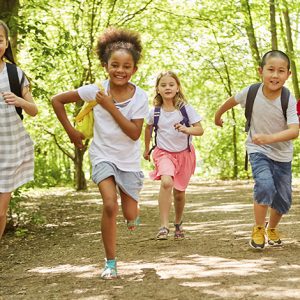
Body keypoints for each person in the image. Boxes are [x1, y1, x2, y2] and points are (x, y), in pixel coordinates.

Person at [52, 27, 148, 279]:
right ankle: (111, 263)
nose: (120, 71)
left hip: (128, 160)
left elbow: (134, 133)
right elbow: (56, 100)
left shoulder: (141, 97)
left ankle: (133, 214)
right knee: (109, 204)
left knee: (130, 213)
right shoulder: (94, 90)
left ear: (134, 70)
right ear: (106, 66)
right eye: (114, 65)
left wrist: (109, 106)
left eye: (126, 66)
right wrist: (72, 132)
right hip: (102, 155)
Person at [214, 50, 299, 250]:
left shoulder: (288, 99)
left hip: (282, 155)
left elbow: (294, 131)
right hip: (257, 150)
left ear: (288, 75)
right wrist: (218, 115)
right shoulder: (251, 91)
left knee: (283, 201)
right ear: (260, 71)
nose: (275, 75)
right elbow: (232, 101)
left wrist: (269, 138)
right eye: (270, 70)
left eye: (281, 71)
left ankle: (272, 228)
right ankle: (259, 228)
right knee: (265, 185)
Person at [143, 71, 204, 240]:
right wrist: (146, 149)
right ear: (158, 89)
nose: (167, 87)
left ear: (177, 88)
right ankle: (163, 226)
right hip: (163, 153)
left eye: (171, 84)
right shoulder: (154, 112)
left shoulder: (186, 109)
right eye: (163, 85)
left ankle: (178, 222)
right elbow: (147, 128)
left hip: (184, 154)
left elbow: (200, 130)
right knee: (166, 181)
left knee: (179, 193)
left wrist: (187, 129)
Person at [0, 20, 38, 239]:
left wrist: (18, 100)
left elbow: (33, 110)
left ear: (6, 43)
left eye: (0, 40)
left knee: (1, 212)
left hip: (10, 152)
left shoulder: (15, 74)